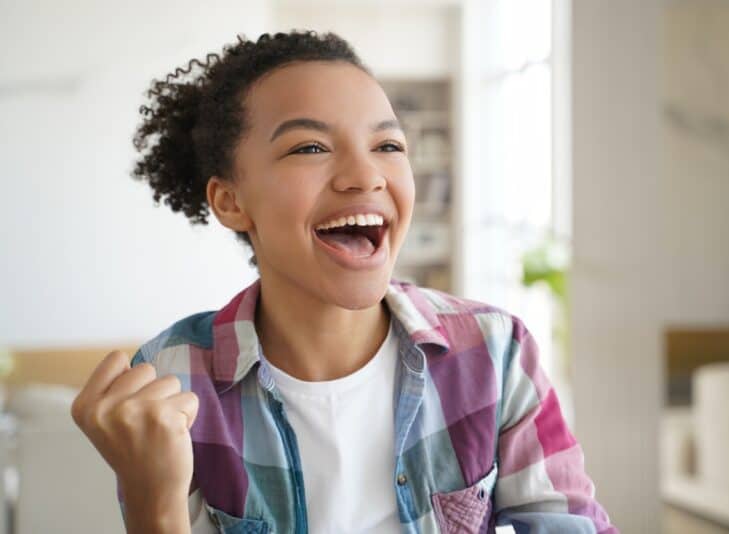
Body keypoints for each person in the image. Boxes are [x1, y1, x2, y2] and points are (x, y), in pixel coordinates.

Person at [70, 30, 617, 534]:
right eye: (310, 147)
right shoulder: (172, 383)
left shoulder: (495, 353)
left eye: (388, 145)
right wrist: (155, 499)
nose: (365, 175)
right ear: (230, 201)